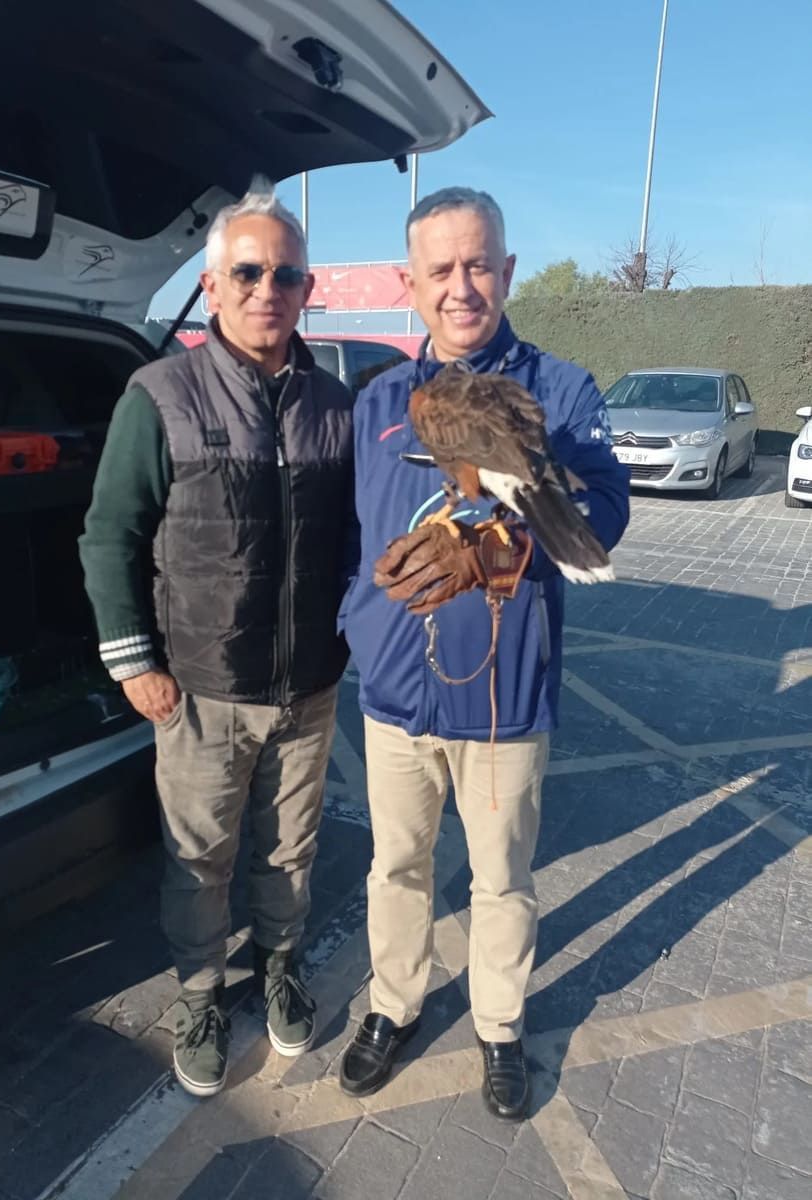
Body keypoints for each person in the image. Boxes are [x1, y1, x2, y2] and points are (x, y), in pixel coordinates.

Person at [337, 187, 630, 1119]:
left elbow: (607, 507)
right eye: (440, 271)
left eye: (478, 266)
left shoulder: (561, 387)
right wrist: (358, 619)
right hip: (392, 693)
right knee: (396, 868)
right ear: (410, 285)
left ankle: (500, 1027)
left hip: (504, 696)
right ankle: (393, 1007)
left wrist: (508, 541)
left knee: (502, 877)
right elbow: (358, 530)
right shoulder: (380, 398)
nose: (461, 287)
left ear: (505, 272)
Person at [79, 179, 356, 1098]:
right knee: (198, 857)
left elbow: (361, 536)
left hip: (308, 687)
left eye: (286, 273)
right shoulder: (159, 395)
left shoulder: (335, 405)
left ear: (307, 289)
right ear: (213, 281)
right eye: (247, 271)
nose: (266, 288)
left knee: (289, 850)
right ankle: (200, 992)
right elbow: (110, 531)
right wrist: (134, 661)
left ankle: (279, 967)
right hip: (197, 689)